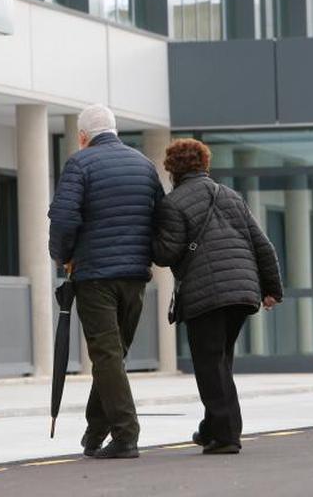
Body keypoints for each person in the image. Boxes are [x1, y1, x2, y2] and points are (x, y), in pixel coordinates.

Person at [153, 139, 283, 455]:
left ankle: (226, 435)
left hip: (207, 294)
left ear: (172, 168)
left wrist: (150, 232)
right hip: (242, 292)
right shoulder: (230, 195)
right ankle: (211, 428)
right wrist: (272, 289)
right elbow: (262, 244)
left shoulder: (173, 204)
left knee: (210, 364)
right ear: (204, 164)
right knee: (220, 361)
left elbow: (165, 253)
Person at [48, 105, 164, 460]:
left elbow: (64, 219)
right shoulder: (144, 165)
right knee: (113, 355)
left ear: (83, 136)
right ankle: (95, 431)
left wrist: (61, 255)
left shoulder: (80, 164)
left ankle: (126, 435)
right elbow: (160, 216)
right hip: (135, 276)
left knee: (106, 354)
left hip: (96, 276)